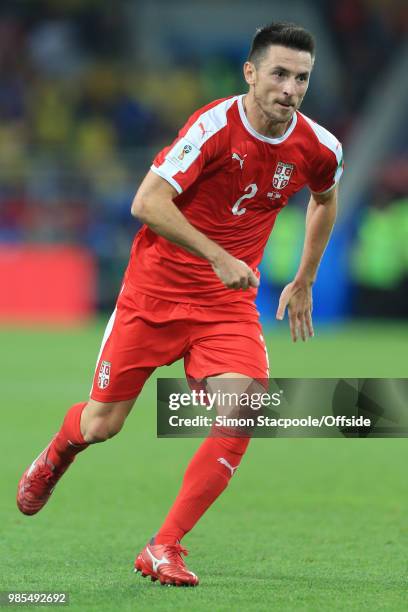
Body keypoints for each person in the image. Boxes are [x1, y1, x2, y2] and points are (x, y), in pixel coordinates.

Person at [17, 22, 343, 587]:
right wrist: (218, 255)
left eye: (302, 78)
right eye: (279, 74)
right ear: (250, 73)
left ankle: (164, 546)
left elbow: (325, 197)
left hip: (225, 304)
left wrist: (306, 277)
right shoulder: (214, 126)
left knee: (245, 410)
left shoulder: (319, 146)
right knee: (102, 424)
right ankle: (56, 454)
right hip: (154, 295)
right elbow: (148, 201)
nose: (290, 89)